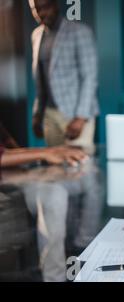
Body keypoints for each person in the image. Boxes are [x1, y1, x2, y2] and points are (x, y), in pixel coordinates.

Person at [0, 121, 87, 282]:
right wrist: (45, 152)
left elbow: (10, 149)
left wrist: (49, 154)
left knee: (55, 192)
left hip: (13, 177)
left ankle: (56, 276)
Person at [29, 0, 99, 153]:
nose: (41, 13)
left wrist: (81, 117)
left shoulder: (80, 32)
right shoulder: (36, 36)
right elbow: (41, 80)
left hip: (75, 114)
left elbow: (89, 77)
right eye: (36, 9)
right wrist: (37, 114)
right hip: (49, 114)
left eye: (45, 7)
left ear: (55, 5)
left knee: (79, 169)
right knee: (55, 170)